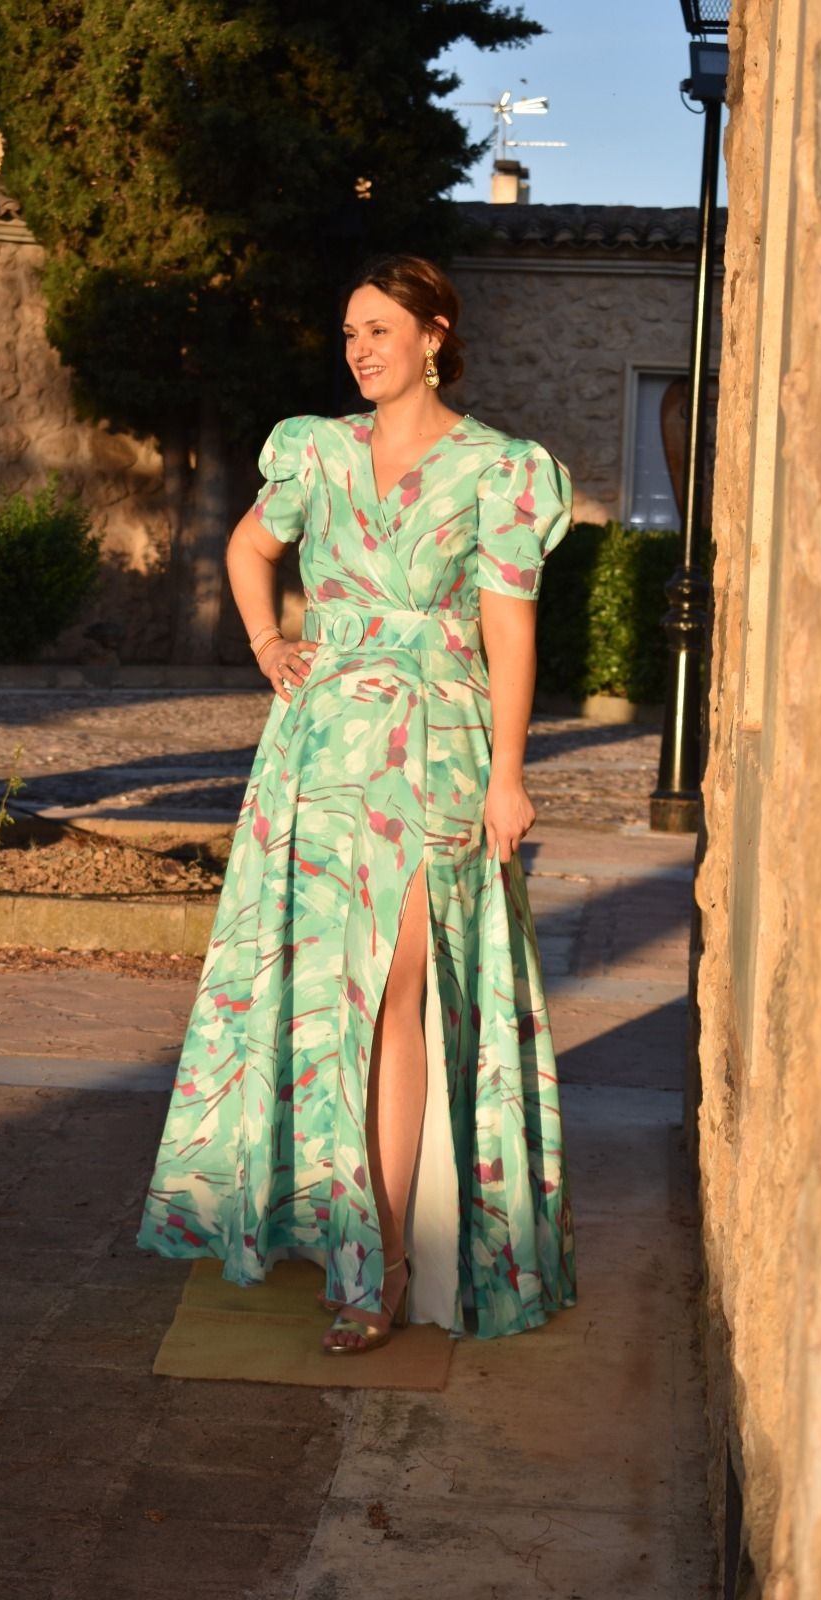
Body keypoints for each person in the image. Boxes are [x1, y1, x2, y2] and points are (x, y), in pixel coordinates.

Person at [137, 253, 578, 1354]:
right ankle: (345, 1238)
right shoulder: (315, 450)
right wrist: (269, 642)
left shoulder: (499, 470)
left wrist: (508, 774)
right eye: (348, 334)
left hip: (435, 751)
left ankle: (376, 1260)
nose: (360, 349)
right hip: (318, 753)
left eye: (379, 329)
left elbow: (510, 629)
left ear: (435, 334)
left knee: (391, 995)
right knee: (318, 997)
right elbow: (250, 546)